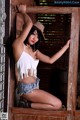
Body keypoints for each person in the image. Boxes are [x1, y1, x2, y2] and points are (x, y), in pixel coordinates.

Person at [12, 5, 70, 110]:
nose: (35, 38)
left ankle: (26, 105)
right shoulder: (18, 46)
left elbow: (50, 60)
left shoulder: (35, 52)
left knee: (58, 105)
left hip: (35, 86)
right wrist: (23, 12)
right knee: (57, 104)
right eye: (33, 34)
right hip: (26, 89)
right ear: (28, 33)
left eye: (38, 36)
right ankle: (25, 104)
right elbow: (29, 23)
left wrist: (66, 47)